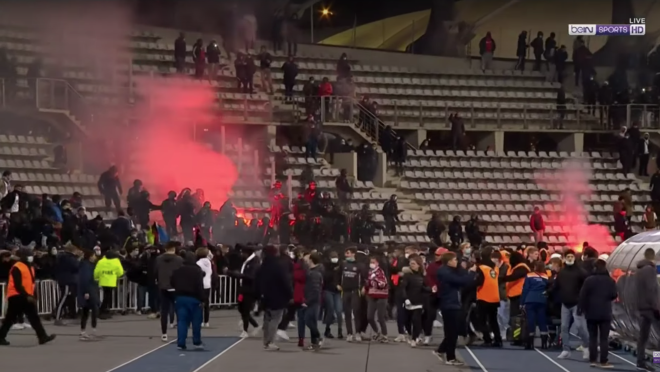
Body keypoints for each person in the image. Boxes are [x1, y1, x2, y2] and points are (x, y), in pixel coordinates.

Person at [0, 248, 56, 346]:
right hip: (17, 296)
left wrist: (33, 295)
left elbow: (31, 283)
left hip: (25, 296)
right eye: (29, 255)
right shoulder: (17, 267)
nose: (31, 257)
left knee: (31, 317)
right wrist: (27, 295)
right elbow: (17, 284)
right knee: (12, 318)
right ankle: (42, 337)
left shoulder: (30, 267)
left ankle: (42, 337)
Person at [435, 251, 477, 365]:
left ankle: (441, 350)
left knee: (452, 331)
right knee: (452, 332)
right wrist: (472, 273)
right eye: (454, 260)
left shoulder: (448, 271)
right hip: (449, 304)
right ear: (449, 261)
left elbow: (461, 276)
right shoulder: (445, 273)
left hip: (453, 303)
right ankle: (450, 357)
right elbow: (462, 281)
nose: (456, 262)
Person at [578, 254, 617, 368]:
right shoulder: (610, 281)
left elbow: (582, 296)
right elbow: (614, 295)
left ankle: (593, 360)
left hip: (591, 312)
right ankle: (604, 361)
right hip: (605, 312)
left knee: (593, 337)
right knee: (604, 338)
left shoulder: (589, 280)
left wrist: (582, 309)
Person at [553, 249, 589, 359]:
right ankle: (566, 349)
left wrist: (584, 299)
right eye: (567, 256)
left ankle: (587, 347)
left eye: (571, 257)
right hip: (565, 304)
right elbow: (556, 286)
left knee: (580, 327)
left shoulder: (581, 272)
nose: (569, 258)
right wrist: (548, 292)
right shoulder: (562, 272)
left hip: (577, 304)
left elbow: (587, 286)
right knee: (564, 327)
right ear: (564, 258)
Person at [256, 245, 293, 351]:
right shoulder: (279, 266)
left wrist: (258, 295)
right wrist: (290, 294)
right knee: (275, 319)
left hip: (265, 296)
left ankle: (266, 341)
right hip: (277, 296)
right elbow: (285, 281)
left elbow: (257, 281)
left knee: (267, 319)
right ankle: (270, 341)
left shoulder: (262, 266)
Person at [171, 251, 206, 351]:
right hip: (194, 299)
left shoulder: (177, 270)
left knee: (182, 321)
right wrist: (203, 298)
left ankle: (181, 342)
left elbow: (172, 282)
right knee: (196, 322)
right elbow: (199, 286)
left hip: (180, 298)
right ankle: (197, 342)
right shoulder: (197, 271)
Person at [634, 248, 660, 371]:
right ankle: (657, 360)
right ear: (653, 257)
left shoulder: (639, 270)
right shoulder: (650, 270)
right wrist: (657, 307)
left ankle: (640, 361)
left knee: (643, 336)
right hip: (650, 308)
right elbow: (652, 290)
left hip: (641, 306)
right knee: (657, 336)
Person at [399, 254, 430, 347]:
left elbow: (424, 288)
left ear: (418, 265)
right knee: (406, 321)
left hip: (419, 302)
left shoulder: (422, 276)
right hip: (409, 301)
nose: (411, 265)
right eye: (410, 264)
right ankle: (409, 334)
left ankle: (414, 338)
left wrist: (430, 289)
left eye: (413, 263)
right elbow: (403, 288)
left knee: (416, 320)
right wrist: (406, 299)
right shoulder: (407, 276)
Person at [475, 248, 502, 347]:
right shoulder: (495, 268)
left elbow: (479, 282)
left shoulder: (482, 268)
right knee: (493, 320)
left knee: (482, 320)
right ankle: (498, 339)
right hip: (494, 297)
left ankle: (487, 339)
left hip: (484, 297)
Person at [155, 241, 183, 340]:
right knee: (179, 310)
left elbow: (156, 271)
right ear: (174, 249)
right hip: (176, 287)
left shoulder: (158, 259)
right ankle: (181, 333)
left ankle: (164, 334)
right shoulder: (179, 260)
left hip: (163, 287)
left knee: (164, 311)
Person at [521, 261, 549, 349]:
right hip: (542, 300)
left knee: (531, 320)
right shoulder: (546, 276)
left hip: (530, 299)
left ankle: (530, 343)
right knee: (542, 320)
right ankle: (544, 343)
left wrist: (522, 302)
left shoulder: (529, 275)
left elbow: (525, 289)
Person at [364, 255, 389, 342]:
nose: (372, 264)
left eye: (373, 262)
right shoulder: (369, 272)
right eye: (371, 262)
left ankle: (385, 335)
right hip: (372, 296)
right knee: (370, 317)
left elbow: (383, 283)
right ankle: (377, 332)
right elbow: (368, 283)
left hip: (381, 296)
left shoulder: (380, 272)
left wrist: (376, 280)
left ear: (377, 263)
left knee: (380, 317)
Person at [303, 252, 324, 351]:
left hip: (313, 301)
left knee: (308, 320)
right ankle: (314, 342)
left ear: (311, 260)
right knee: (312, 321)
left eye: (308, 258)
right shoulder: (311, 271)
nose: (306, 259)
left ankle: (319, 337)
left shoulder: (315, 273)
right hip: (312, 299)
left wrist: (308, 301)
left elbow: (316, 289)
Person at [94, 249, 124, 320]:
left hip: (103, 281)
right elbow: (120, 272)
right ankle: (102, 311)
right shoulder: (116, 261)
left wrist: (96, 277)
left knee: (105, 296)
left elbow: (96, 272)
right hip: (111, 281)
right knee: (108, 297)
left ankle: (103, 311)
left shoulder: (101, 261)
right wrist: (116, 275)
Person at [78, 250, 100, 340]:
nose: (95, 257)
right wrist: (86, 291)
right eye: (94, 255)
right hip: (90, 290)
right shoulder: (86, 266)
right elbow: (85, 279)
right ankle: (92, 330)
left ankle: (84, 331)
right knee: (93, 309)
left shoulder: (87, 265)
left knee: (86, 310)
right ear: (90, 256)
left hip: (91, 288)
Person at [196, 247, 213, 328]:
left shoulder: (198, 263)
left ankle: (200, 320)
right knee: (206, 304)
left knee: (200, 304)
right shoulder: (209, 262)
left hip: (201, 284)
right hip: (208, 284)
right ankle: (207, 321)